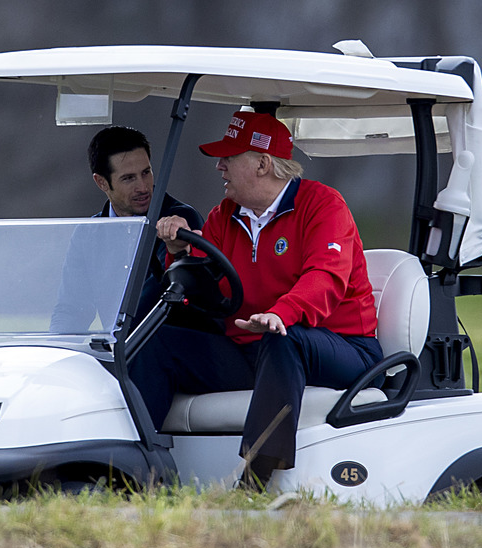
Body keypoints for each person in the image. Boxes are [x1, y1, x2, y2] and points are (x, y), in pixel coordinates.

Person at [130, 111, 384, 490]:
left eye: (229, 159)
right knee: (157, 345)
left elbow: (325, 278)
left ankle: (256, 477)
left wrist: (280, 314)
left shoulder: (322, 205)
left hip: (341, 347)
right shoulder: (224, 216)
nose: (220, 167)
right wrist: (175, 252)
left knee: (286, 339)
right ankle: (137, 469)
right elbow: (200, 287)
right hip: (255, 349)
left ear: (263, 163)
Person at [52, 126, 206, 332]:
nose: (143, 187)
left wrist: (119, 338)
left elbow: (159, 297)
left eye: (146, 173)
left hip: (165, 349)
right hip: (119, 350)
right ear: (101, 182)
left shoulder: (179, 220)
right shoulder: (88, 234)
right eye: (128, 178)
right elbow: (71, 309)